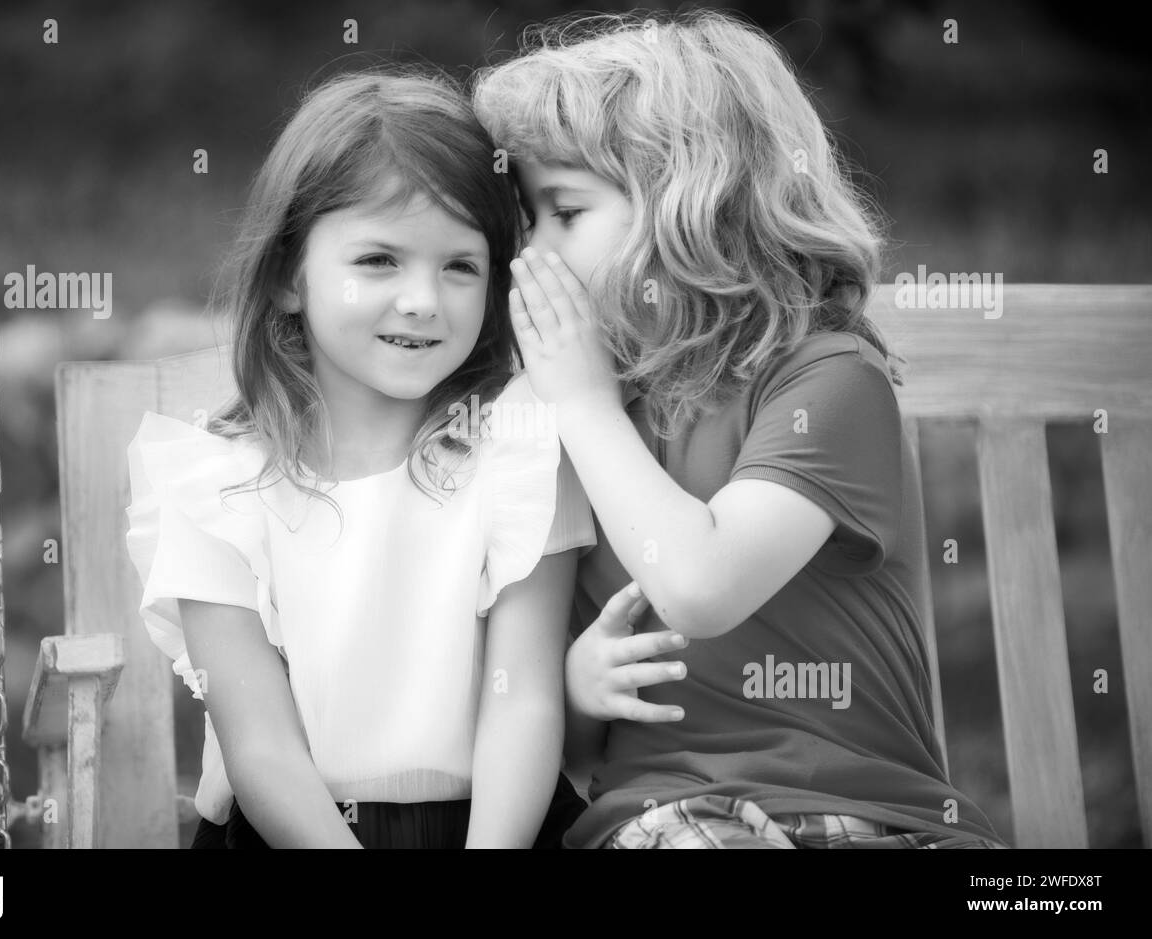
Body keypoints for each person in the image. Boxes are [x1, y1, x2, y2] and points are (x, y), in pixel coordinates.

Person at [472, 10, 1008, 848]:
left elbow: (700, 585)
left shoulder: (829, 380)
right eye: (525, 221)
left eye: (564, 213)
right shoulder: (577, 420)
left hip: (870, 822)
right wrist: (579, 690)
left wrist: (582, 405)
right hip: (665, 824)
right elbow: (571, 757)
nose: (530, 255)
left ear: (693, 207)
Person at [123, 69, 595, 848]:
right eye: (379, 260)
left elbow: (525, 701)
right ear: (286, 278)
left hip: (497, 827)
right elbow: (261, 746)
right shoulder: (216, 486)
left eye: (460, 265)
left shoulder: (518, 448)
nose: (422, 299)